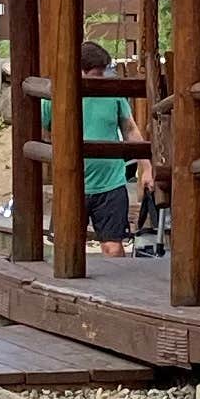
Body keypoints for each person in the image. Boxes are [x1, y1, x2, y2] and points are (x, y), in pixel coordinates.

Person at [78, 36, 141, 248]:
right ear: (81, 71)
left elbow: (130, 129)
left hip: (111, 183)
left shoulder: (112, 93)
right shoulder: (54, 96)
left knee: (113, 247)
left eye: (103, 73)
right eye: (96, 74)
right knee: (68, 245)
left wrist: (146, 166)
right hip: (72, 183)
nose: (101, 79)